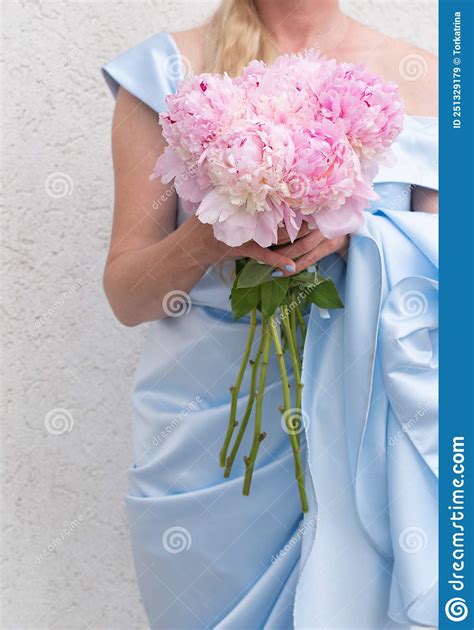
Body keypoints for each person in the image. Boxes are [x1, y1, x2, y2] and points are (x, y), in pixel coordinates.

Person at [102, 1, 439, 627]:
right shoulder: (166, 71)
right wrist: (206, 238)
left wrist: (359, 232)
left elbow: (446, 279)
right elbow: (128, 296)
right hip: (209, 448)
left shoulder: (424, 78)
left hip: (366, 434)